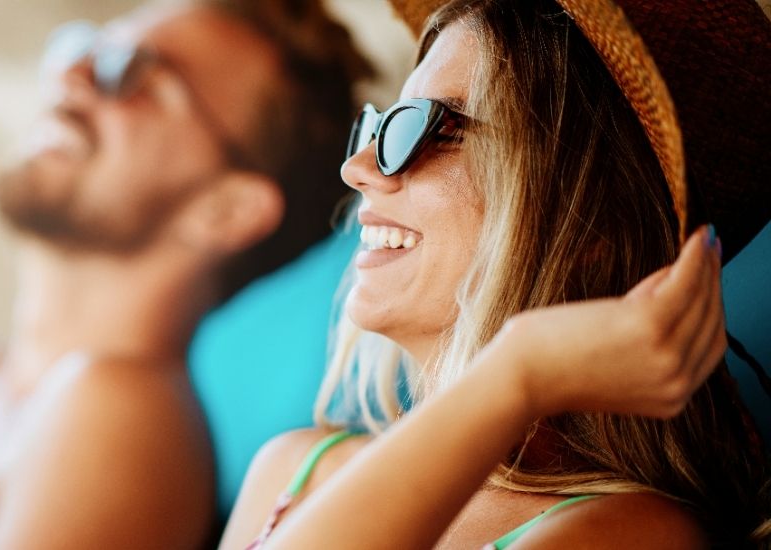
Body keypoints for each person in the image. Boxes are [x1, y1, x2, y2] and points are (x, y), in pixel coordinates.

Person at [0, 0, 371, 548]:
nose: (69, 75)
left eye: (132, 71)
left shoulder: (118, 413)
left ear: (227, 209)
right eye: (82, 47)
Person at [221, 0, 771, 548]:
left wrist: (519, 371)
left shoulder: (630, 535)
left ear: (591, 233)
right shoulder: (292, 469)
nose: (358, 168)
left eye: (441, 128)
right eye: (383, 125)